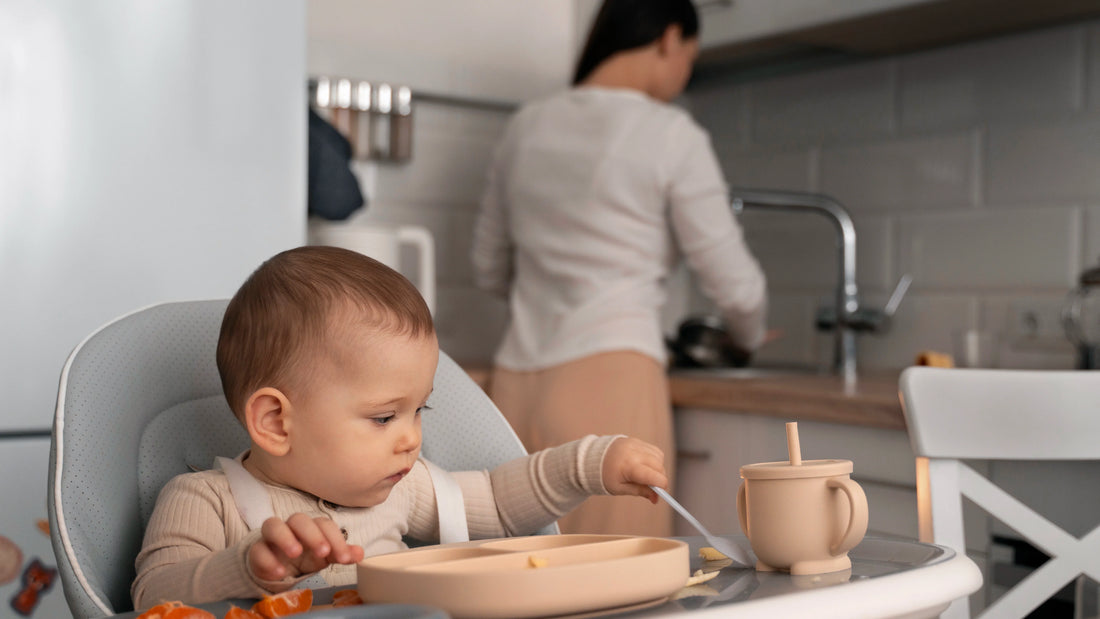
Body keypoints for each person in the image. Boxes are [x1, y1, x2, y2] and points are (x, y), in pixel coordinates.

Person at [131, 246, 668, 609]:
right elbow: (153, 595)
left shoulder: (403, 489)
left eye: (419, 412)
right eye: (384, 417)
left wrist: (591, 464)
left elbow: (502, 504)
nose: (411, 438)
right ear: (275, 421)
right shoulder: (205, 499)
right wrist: (250, 567)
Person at [472, 0, 767, 537]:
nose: (684, 76)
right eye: (689, 60)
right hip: (612, 382)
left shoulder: (526, 126)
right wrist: (747, 338)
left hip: (515, 386)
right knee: (620, 592)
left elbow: (488, 266)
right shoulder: (671, 133)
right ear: (668, 39)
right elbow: (734, 283)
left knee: (515, 586)